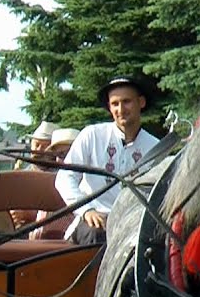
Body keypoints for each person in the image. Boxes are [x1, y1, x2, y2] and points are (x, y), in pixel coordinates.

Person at [55, 77, 160, 244]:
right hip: (94, 222)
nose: (121, 109)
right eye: (115, 104)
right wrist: (87, 210)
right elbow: (64, 178)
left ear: (141, 102)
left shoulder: (155, 147)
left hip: (134, 226)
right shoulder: (92, 135)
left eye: (126, 102)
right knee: (98, 234)